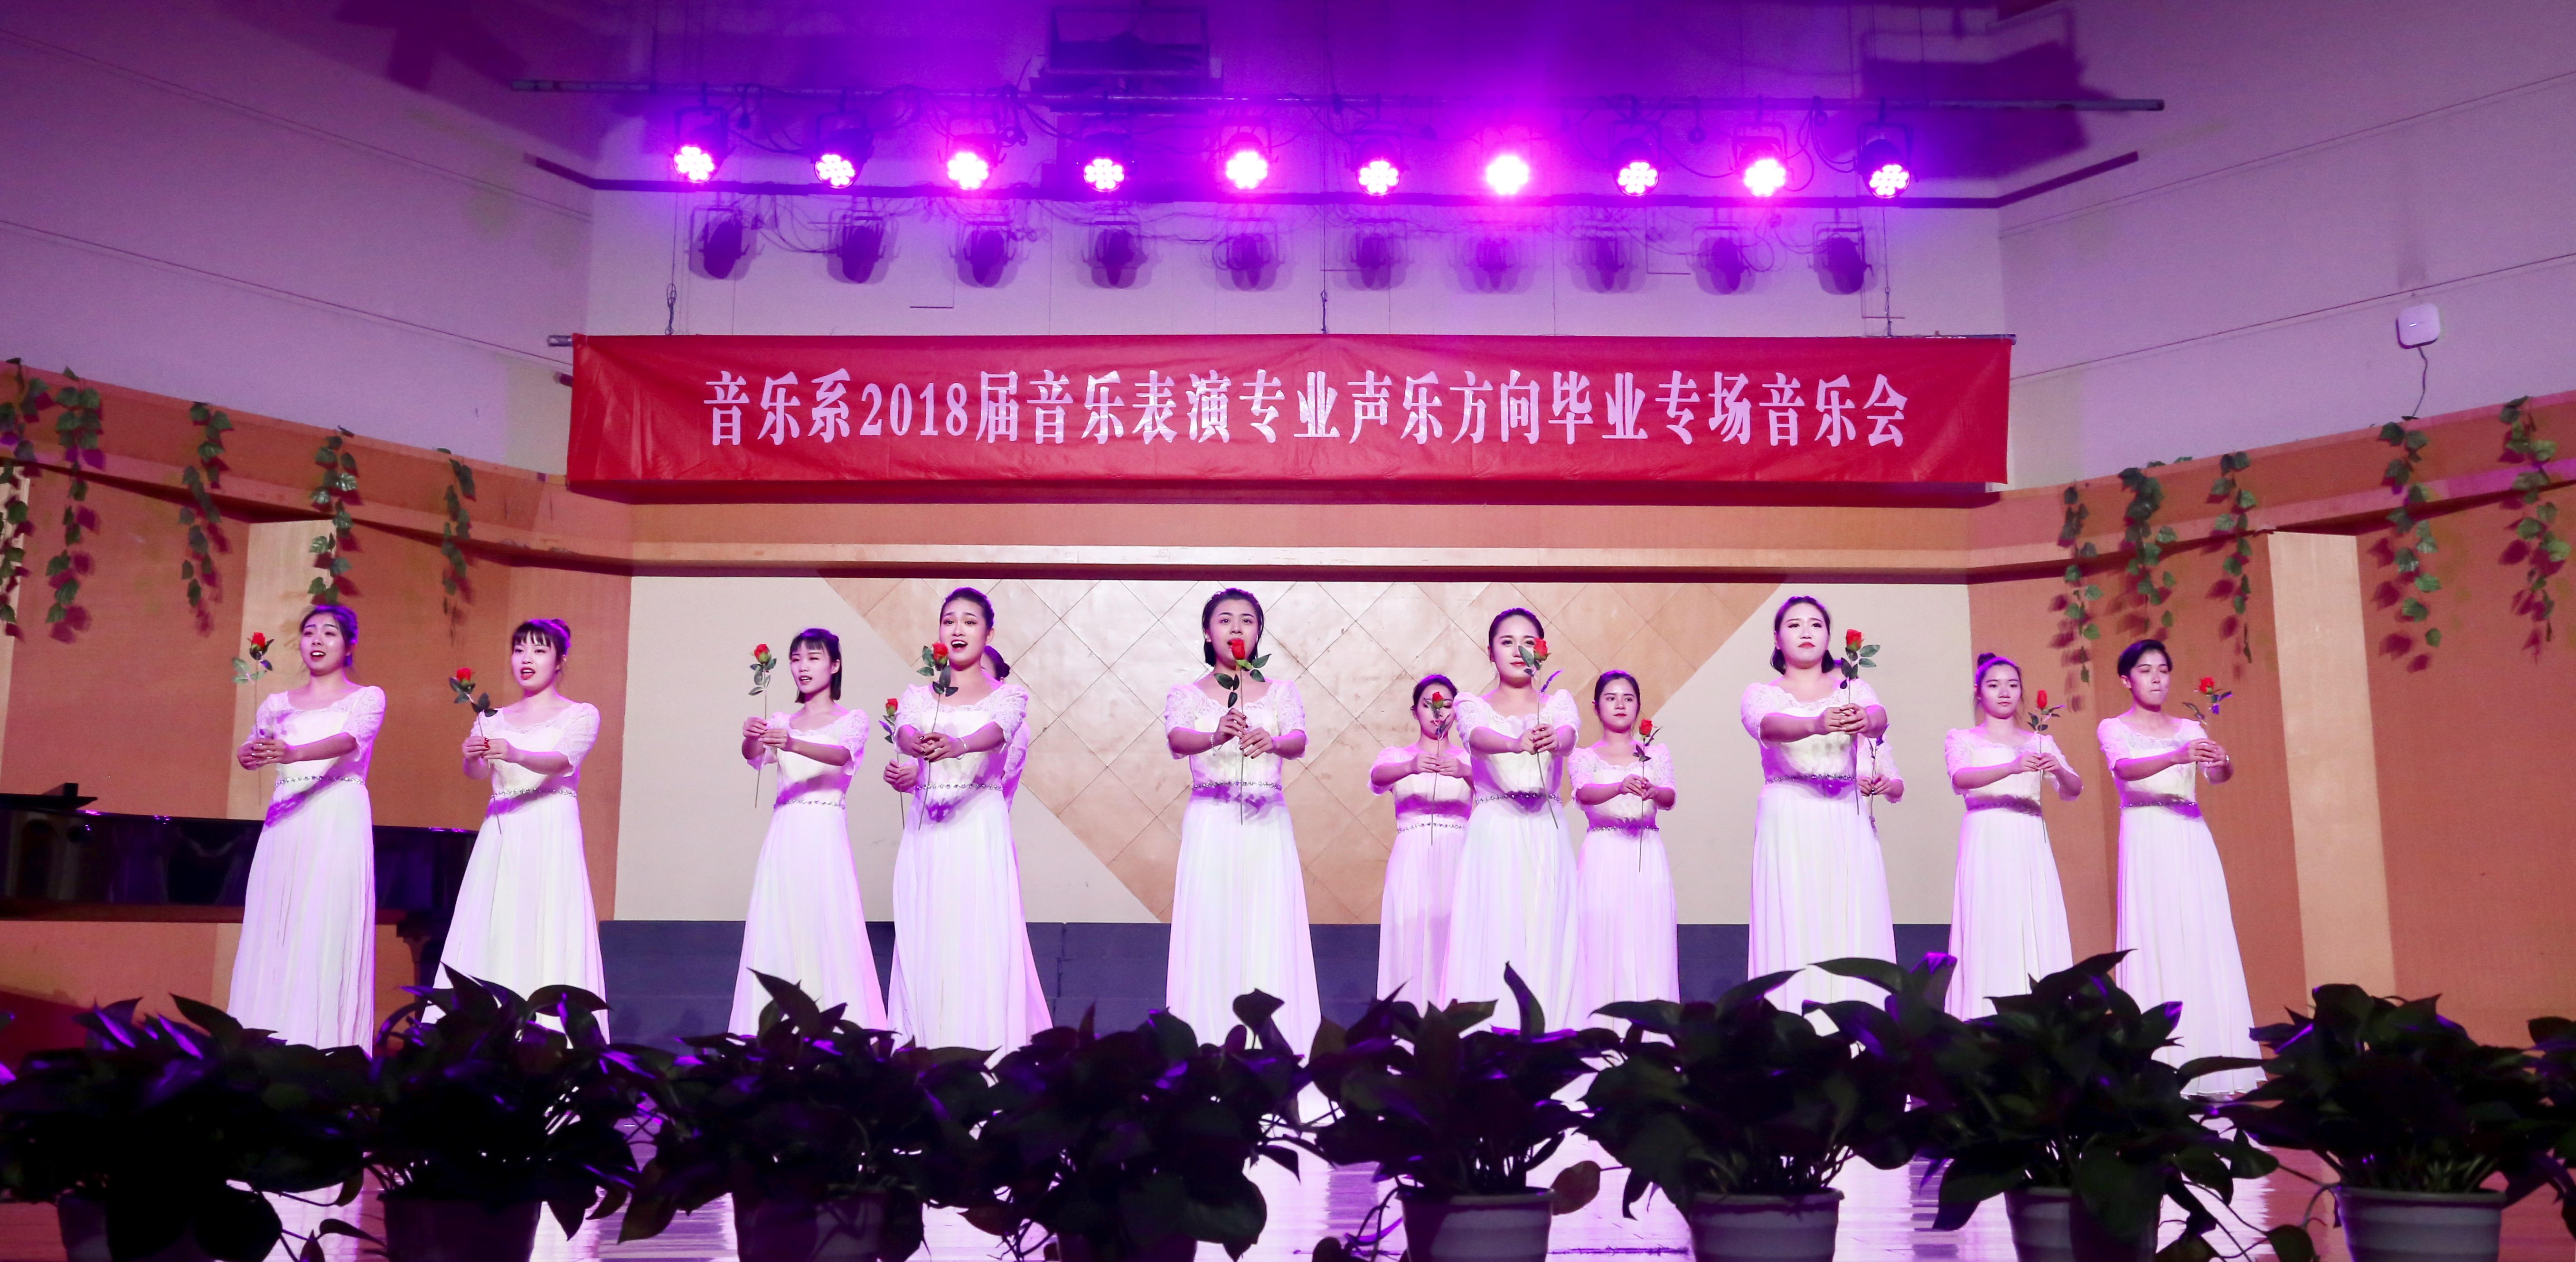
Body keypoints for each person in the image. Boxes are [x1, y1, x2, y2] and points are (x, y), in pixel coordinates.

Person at [884, 587, 1051, 1049]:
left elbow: (996, 733)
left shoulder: (1008, 696)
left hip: (978, 828)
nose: (958, 629)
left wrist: (957, 745)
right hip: (927, 830)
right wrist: (913, 750)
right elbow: (904, 732)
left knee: (977, 937)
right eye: (949, 621)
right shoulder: (918, 696)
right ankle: (925, 1051)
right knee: (926, 935)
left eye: (970, 621)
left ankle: (984, 1050)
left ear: (988, 633)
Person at [1163, 587, 1322, 1051]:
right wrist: (1215, 736)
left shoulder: (1281, 691)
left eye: (1247, 620)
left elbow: (1298, 740)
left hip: (1266, 820)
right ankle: (1207, 1046)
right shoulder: (1186, 694)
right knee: (1211, 929)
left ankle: (1272, 1048)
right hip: (1210, 822)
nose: (1236, 627)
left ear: (1258, 633)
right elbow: (1177, 741)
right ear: (1207, 633)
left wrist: (1273, 742)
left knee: (1267, 928)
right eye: (1225, 619)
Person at [2100, 639, 2259, 1094]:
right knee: (2158, 933)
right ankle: (2158, 1064)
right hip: (2147, 834)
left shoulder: (2190, 727)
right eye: (2145, 670)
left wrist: (2221, 761)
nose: (2156, 678)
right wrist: (2176, 755)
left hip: (2191, 834)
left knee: (2203, 933)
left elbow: (2217, 777)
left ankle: (2215, 1058)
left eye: (2163, 670)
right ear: (2126, 680)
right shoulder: (2113, 727)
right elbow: (2125, 769)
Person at [229, 605, 384, 1047]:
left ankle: (323, 1047)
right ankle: (261, 1044)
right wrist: (250, 754)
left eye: (329, 633)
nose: (317, 640)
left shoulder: (367, 697)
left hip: (337, 815)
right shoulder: (276, 704)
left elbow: (348, 740)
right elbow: (253, 748)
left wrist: (294, 753)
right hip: (286, 819)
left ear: (349, 645)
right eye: (309, 632)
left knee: (326, 921)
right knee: (275, 921)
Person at [1742, 595, 1904, 1014]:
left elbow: (1879, 717)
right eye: (1794, 625)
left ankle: (1861, 1026)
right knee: (1795, 916)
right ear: (1777, 639)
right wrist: (1816, 724)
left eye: (1816, 624)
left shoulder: (1853, 688)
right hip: (1790, 813)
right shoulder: (1761, 693)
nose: (1806, 632)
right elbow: (1769, 726)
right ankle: (1792, 1025)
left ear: (1829, 637)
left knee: (1852, 915)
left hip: (1846, 812)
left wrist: (1866, 720)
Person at [444, 618, 608, 1030]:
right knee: (498, 921)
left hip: (550, 825)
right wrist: (471, 756)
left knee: (548, 919)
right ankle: (491, 1030)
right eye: (519, 650)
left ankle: (551, 1031)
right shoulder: (492, 717)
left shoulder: (580, 714)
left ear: (560, 660)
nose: (526, 659)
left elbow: (562, 761)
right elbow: (477, 775)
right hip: (502, 828)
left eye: (539, 650)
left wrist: (516, 753)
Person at [730, 628, 887, 1033]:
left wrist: (792, 743)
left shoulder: (851, 720)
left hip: (824, 832)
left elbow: (841, 755)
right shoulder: (782, 721)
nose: (803, 666)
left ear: (835, 666)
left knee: (825, 924)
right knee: (780, 924)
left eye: (814, 658)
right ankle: (773, 1032)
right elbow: (755, 757)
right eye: (796, 659)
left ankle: (833, 1033)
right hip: (785, 831)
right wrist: (751, 737)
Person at [1443, 607, 1581, 1027]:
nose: (1518, 651)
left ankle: (1549, 1039)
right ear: (1490, 652)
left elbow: (1569, 736)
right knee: (1495, 929)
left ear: (1542, 650)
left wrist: (1553, 738)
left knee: (1546, 930)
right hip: (1496, 829)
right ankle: (1487, 1039)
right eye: (1507, 642)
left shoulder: (1557, 703)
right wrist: (1516, 743)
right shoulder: (1471, 703)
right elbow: (1476, 738)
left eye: (1528, 642)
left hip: (1545, 827)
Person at [1943, 653, 2080, 1018]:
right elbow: (1961, 778)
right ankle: (1984, 1017)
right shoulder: (1962, 739)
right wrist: (2012, 766)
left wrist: (2058, 770)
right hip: (1986, 835)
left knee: (2032, 918)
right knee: (1990, 921)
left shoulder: (2039, 741)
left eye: (2012, 685)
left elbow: (2073, 789)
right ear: (1979, 692)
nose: (2004, 692)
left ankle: (2041, 1019)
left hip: (2028, 837)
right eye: (1994, 685)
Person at [1570, 671, 1680, 1026]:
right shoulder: (1584, 756)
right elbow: (1584, 794)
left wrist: (1654, 791)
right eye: (1611, 698)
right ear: (1596, 707)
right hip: (1603, 854)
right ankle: (1601, 1028)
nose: (1620, 704)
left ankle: (1651, 1033)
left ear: (1638, 706)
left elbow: (1670, 798)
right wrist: (1619, 786)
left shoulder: (1655, 754)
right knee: (1602, 941)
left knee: (1650, 940)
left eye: (1628, 698)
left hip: (1646, 851)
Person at [1368, 675, 1472, 1007]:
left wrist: (1465, 772)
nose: (1437, 713)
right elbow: (1377, 779)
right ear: (1415, 712)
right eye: (1428, 705)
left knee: (1456, 938)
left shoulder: (1470, 760)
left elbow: (1493, 790)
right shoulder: (1397, 756)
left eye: (1446, 706)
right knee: (1409, 935)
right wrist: (1411, 766)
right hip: (1411, 855)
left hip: (1458, 853)